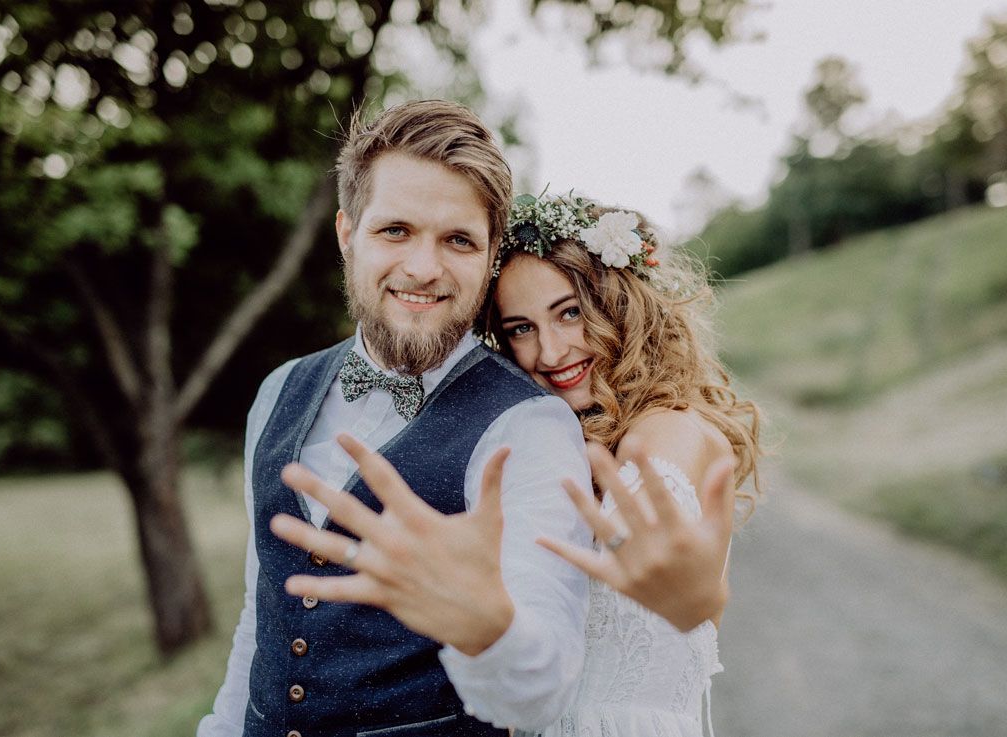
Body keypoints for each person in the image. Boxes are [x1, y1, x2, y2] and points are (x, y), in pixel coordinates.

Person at [197, 101, 596, 737]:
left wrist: (489, 629)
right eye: (395, 231)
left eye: (458, 240)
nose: (423, 268)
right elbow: (260, 613)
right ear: (346, 233)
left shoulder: (531, 426)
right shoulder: (277, 391)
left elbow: (542, 689)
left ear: (491, 257)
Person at [483, 192, 761, 737]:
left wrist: (697, 590)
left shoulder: (667, 429)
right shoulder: (571, 445)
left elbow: (666, 496)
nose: (551, 351)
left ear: (619, 302)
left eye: (569, 313)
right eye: (521, 328)